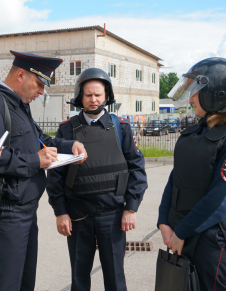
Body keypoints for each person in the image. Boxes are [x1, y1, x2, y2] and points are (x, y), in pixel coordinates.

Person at [0, 50, 88, 291]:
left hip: (25, 212)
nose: (42, 91)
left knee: (23, 284)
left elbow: (37, 139)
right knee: (3, 284)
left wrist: (67, 146)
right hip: (5, 212)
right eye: (39, 83)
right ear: (20, 75)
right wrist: (35, 161)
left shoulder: (17, 104)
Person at [158, 57, 226, 291]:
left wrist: (181, 232)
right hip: (180, 233)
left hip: (210, 241)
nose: (191, 98)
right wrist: (163, 221)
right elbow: (175, 180)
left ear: (217, 93)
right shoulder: (193, 134)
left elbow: (220, 200)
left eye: (196, 91)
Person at [46, 68, 148, 291]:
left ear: (106, 96)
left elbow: (137, 169)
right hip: (78, 217)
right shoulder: (66, 131)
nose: (93, 100)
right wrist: (60, 212)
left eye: (98, 95)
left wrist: (131, 208)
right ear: (80, 96)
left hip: (112, 217)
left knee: (115, 279)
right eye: (88, 95)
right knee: (79, 280)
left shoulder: (121, 128)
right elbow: (55, 176)